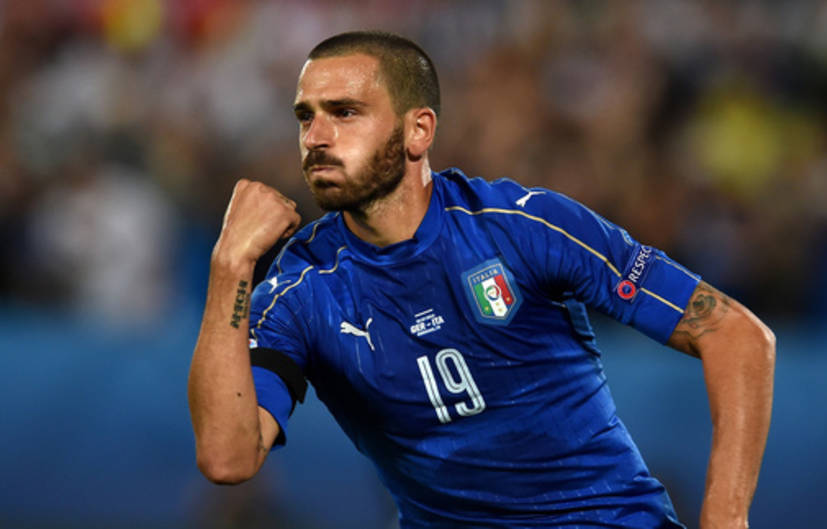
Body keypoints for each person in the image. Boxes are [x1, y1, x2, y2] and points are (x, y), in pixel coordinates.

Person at [188, 31, 775, 529]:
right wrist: (229, 267)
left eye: (344, 113)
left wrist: (725, 520)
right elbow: (227, 458)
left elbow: (738, 336)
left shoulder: (523, 227)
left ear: (418, 132)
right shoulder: (301, 290)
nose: (316, 137)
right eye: (305, 116)